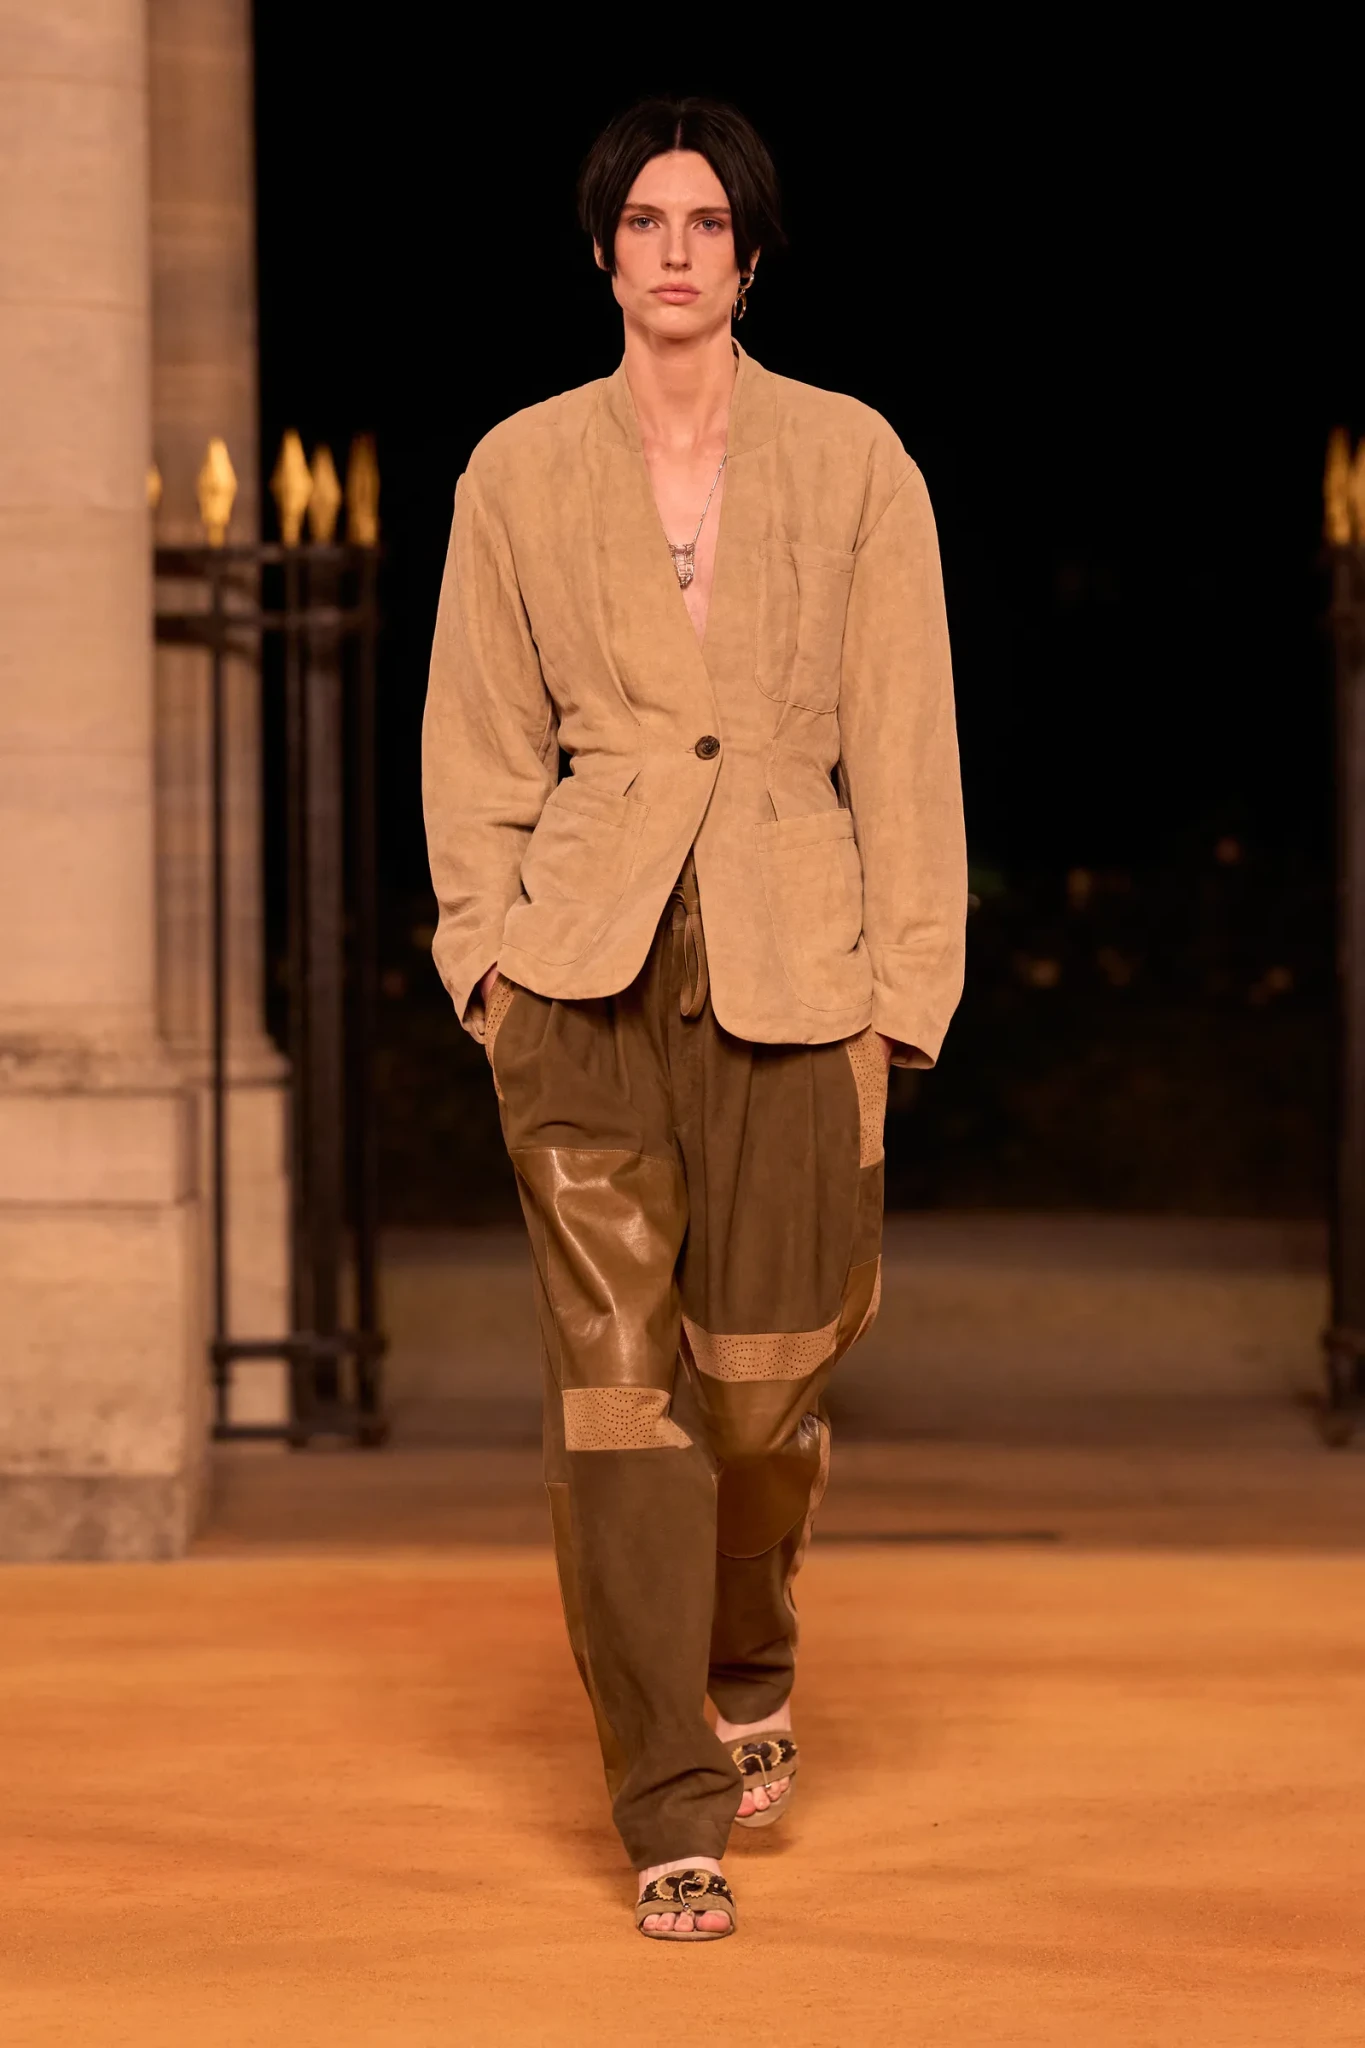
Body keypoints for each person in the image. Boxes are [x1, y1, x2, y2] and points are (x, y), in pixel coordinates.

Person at [422, 95, 965, 1942]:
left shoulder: (855, 458)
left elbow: (906, 735)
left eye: (706, 220)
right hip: (580, 967)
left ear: (749, 254)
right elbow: (478, 738)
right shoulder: (517, 468)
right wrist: (485, 961)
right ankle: (670, 1802)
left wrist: (905, 992)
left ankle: (750, 1640)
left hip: (796, 962)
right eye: (645, 219)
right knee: (616, 1394)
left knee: (756, 1391)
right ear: (603, 251)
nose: (674, 248)